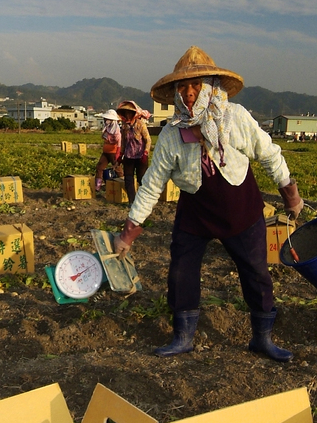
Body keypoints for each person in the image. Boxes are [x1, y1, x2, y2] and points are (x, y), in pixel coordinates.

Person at [114, 47, 303, 362]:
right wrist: (130, 231)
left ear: (212, 85)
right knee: (181, 272)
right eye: (182, 87)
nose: (189, 93)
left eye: (196, 85)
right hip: (195, 215)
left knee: (256, 273)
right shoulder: (173, 135)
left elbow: (269, 153)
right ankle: (183, 337)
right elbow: (151, 186)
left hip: (241, 211)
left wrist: (290, 193)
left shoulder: (236, 118)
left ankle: (262, 338)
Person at [116, 100, 151, 201]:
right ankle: (132, 200)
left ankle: (144, 200)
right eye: (125, 113)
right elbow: (123, 141)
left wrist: (145, 153)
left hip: (140, 156)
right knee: (128, 179)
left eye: (129, 112)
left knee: (141, 179)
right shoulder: (125, 126)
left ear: (133, 113)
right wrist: (120, 154)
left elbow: (148, 140)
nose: (127, 115)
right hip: (129, 156)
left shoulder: (140, 124)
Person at [95, 109, 121, 191]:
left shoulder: (116, 130)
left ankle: (123, 184)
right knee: (99, 167)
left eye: (107, 119)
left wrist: (118, 154)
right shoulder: (107, 128)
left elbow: (119, 142)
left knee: (117, 169)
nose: (105, 120)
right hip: (106, 152)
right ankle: (97, 186)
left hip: (113, 152)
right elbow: (103, 136)